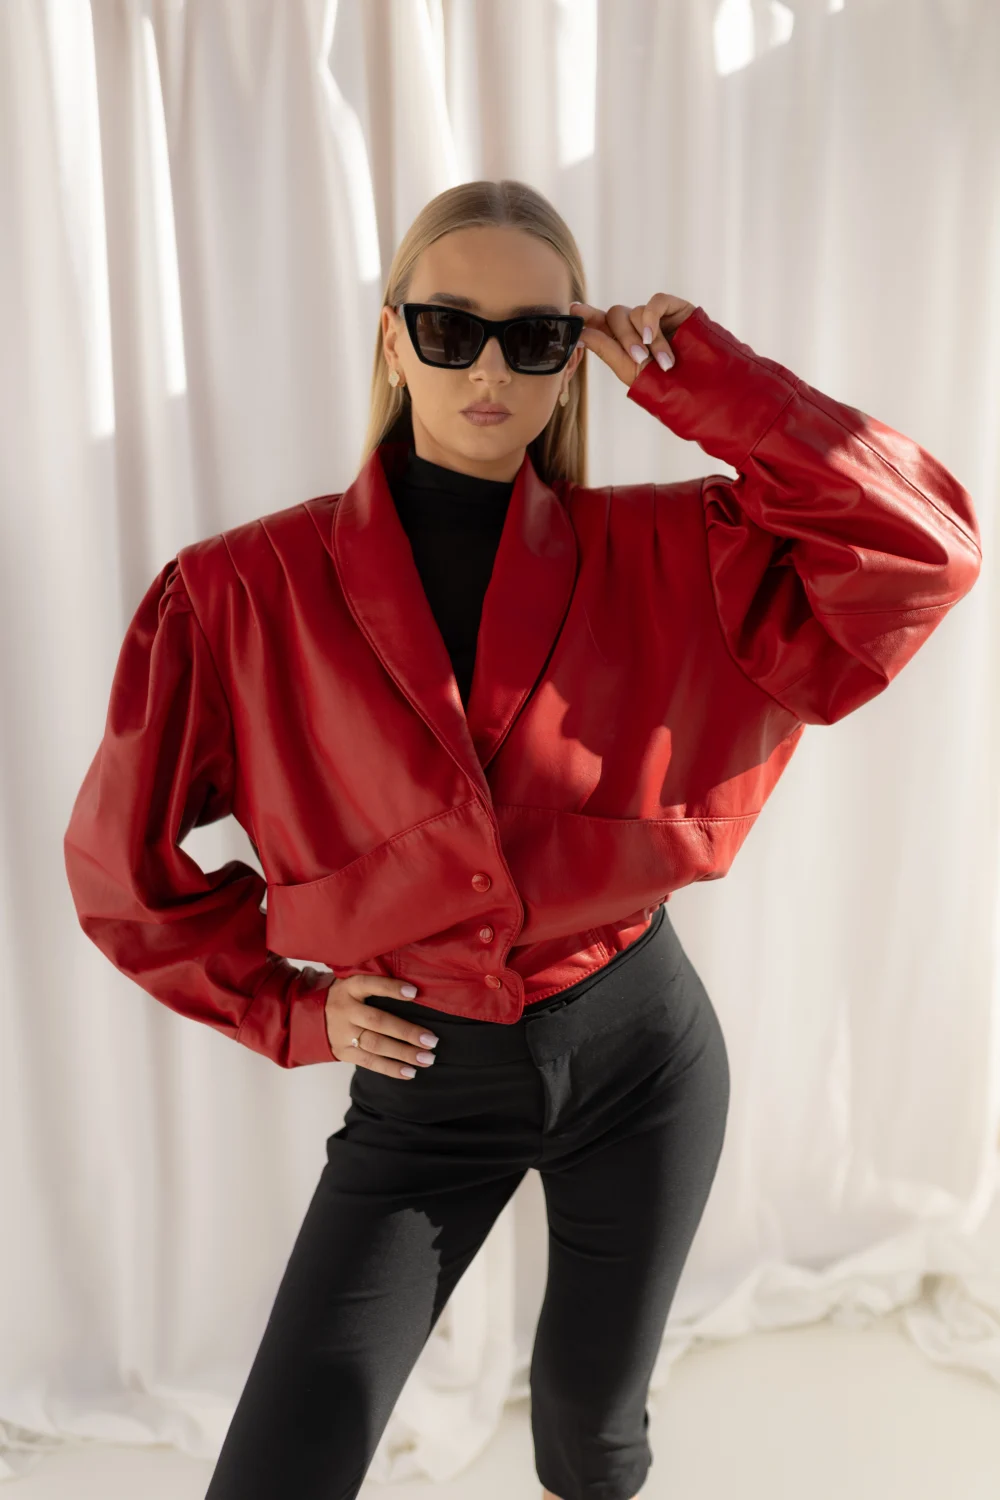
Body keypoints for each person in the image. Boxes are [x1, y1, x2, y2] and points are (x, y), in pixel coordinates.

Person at [64, 179, 982, 1500]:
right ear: (394, 340)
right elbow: (122, 871)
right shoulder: (235, 596)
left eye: (536, 339)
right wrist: (292, 1011)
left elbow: (921, 547)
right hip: (426, 1079)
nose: (489, 370)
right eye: (451, 330)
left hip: (646, 1055)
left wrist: (707, 383)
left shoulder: (676, 549)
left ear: (572, 359)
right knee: (279, 1471)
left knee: (592, 1438)